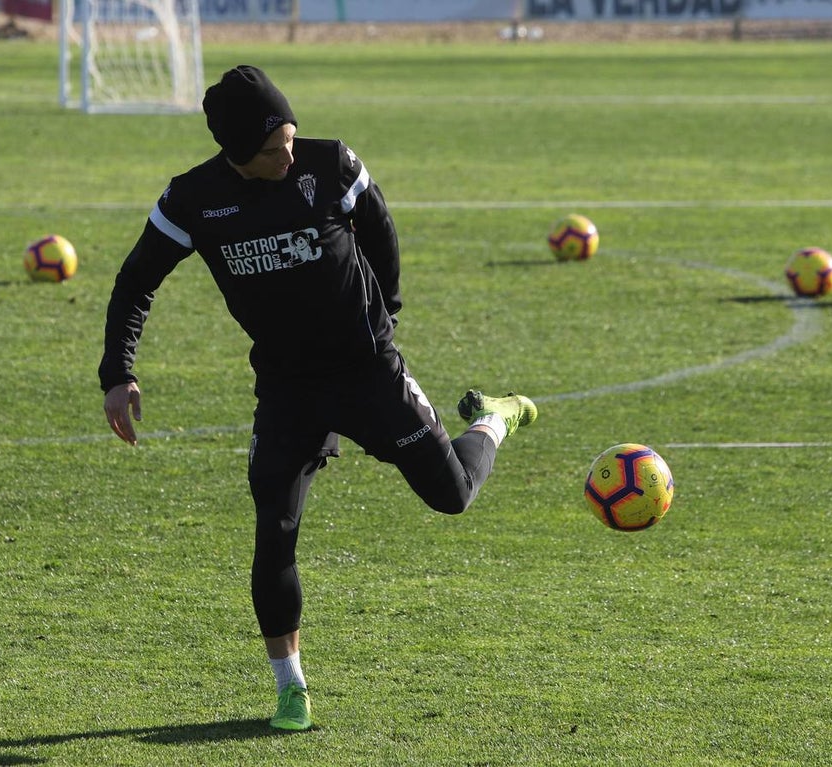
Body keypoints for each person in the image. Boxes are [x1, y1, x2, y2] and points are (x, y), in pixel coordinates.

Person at [98, 65, 537, 732]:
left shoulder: (329, 165)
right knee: (274, 527)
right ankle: (291, 689)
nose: (289, 156)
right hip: (287, 388)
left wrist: (385, 314)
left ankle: (491, 419)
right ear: (236, 153)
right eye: (273, 150)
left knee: (451, 496)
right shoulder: (194, 199)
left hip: (367, 373)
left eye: (290, 139)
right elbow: (135, 283)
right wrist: (118, 373)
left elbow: (379, 227)